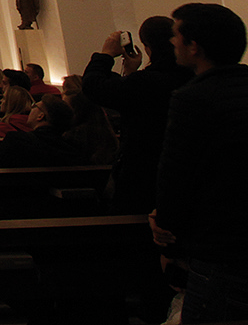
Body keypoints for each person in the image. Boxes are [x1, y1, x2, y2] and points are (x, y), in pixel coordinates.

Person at [151, 3, 248, 323]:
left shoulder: (192, 98)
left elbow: (176, 176)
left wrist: (167, 230)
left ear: (194, 46)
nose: (172, 43)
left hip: (221, 251)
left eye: (176, 36)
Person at [80, 17, 191, 212]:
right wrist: (132, 73)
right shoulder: (191, 77)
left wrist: (105, 55)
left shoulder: (147, 82)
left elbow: (93, 87)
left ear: (149, 47)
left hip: (143, 172)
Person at [0, 95, 81, 167]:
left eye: (34, 106)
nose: (30, 109)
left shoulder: (15, 140)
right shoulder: (73, 147)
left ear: (40, 116)